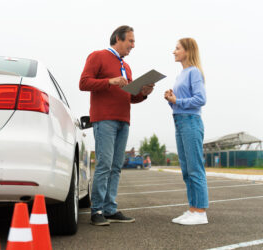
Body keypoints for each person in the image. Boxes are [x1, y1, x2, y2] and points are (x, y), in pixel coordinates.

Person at [80, 25, 155, 226]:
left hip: (124, 119)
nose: (133, 46)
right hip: (104, 119)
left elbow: (131, 97)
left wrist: (144, 92)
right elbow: (84, 83)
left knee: (115, 166)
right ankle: (96, 210)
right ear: (118, 39)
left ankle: (110, 208)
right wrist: (110, 81)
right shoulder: (97, 56)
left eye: (134, 42)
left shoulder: (126, 66)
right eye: (130, 41)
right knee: (104, 164)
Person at [164, 38, 208, 225]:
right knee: (186, 170)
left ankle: (200, 212)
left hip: (191, 122)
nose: (174, 51)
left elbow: (200, 99)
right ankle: (192, 208)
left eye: (177, 48)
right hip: (180, 122)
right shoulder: (181, 74)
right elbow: (179, 102)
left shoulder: (194, 72)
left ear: (188, 51)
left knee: (195, 168)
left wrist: (177, 101)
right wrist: (170, 98)